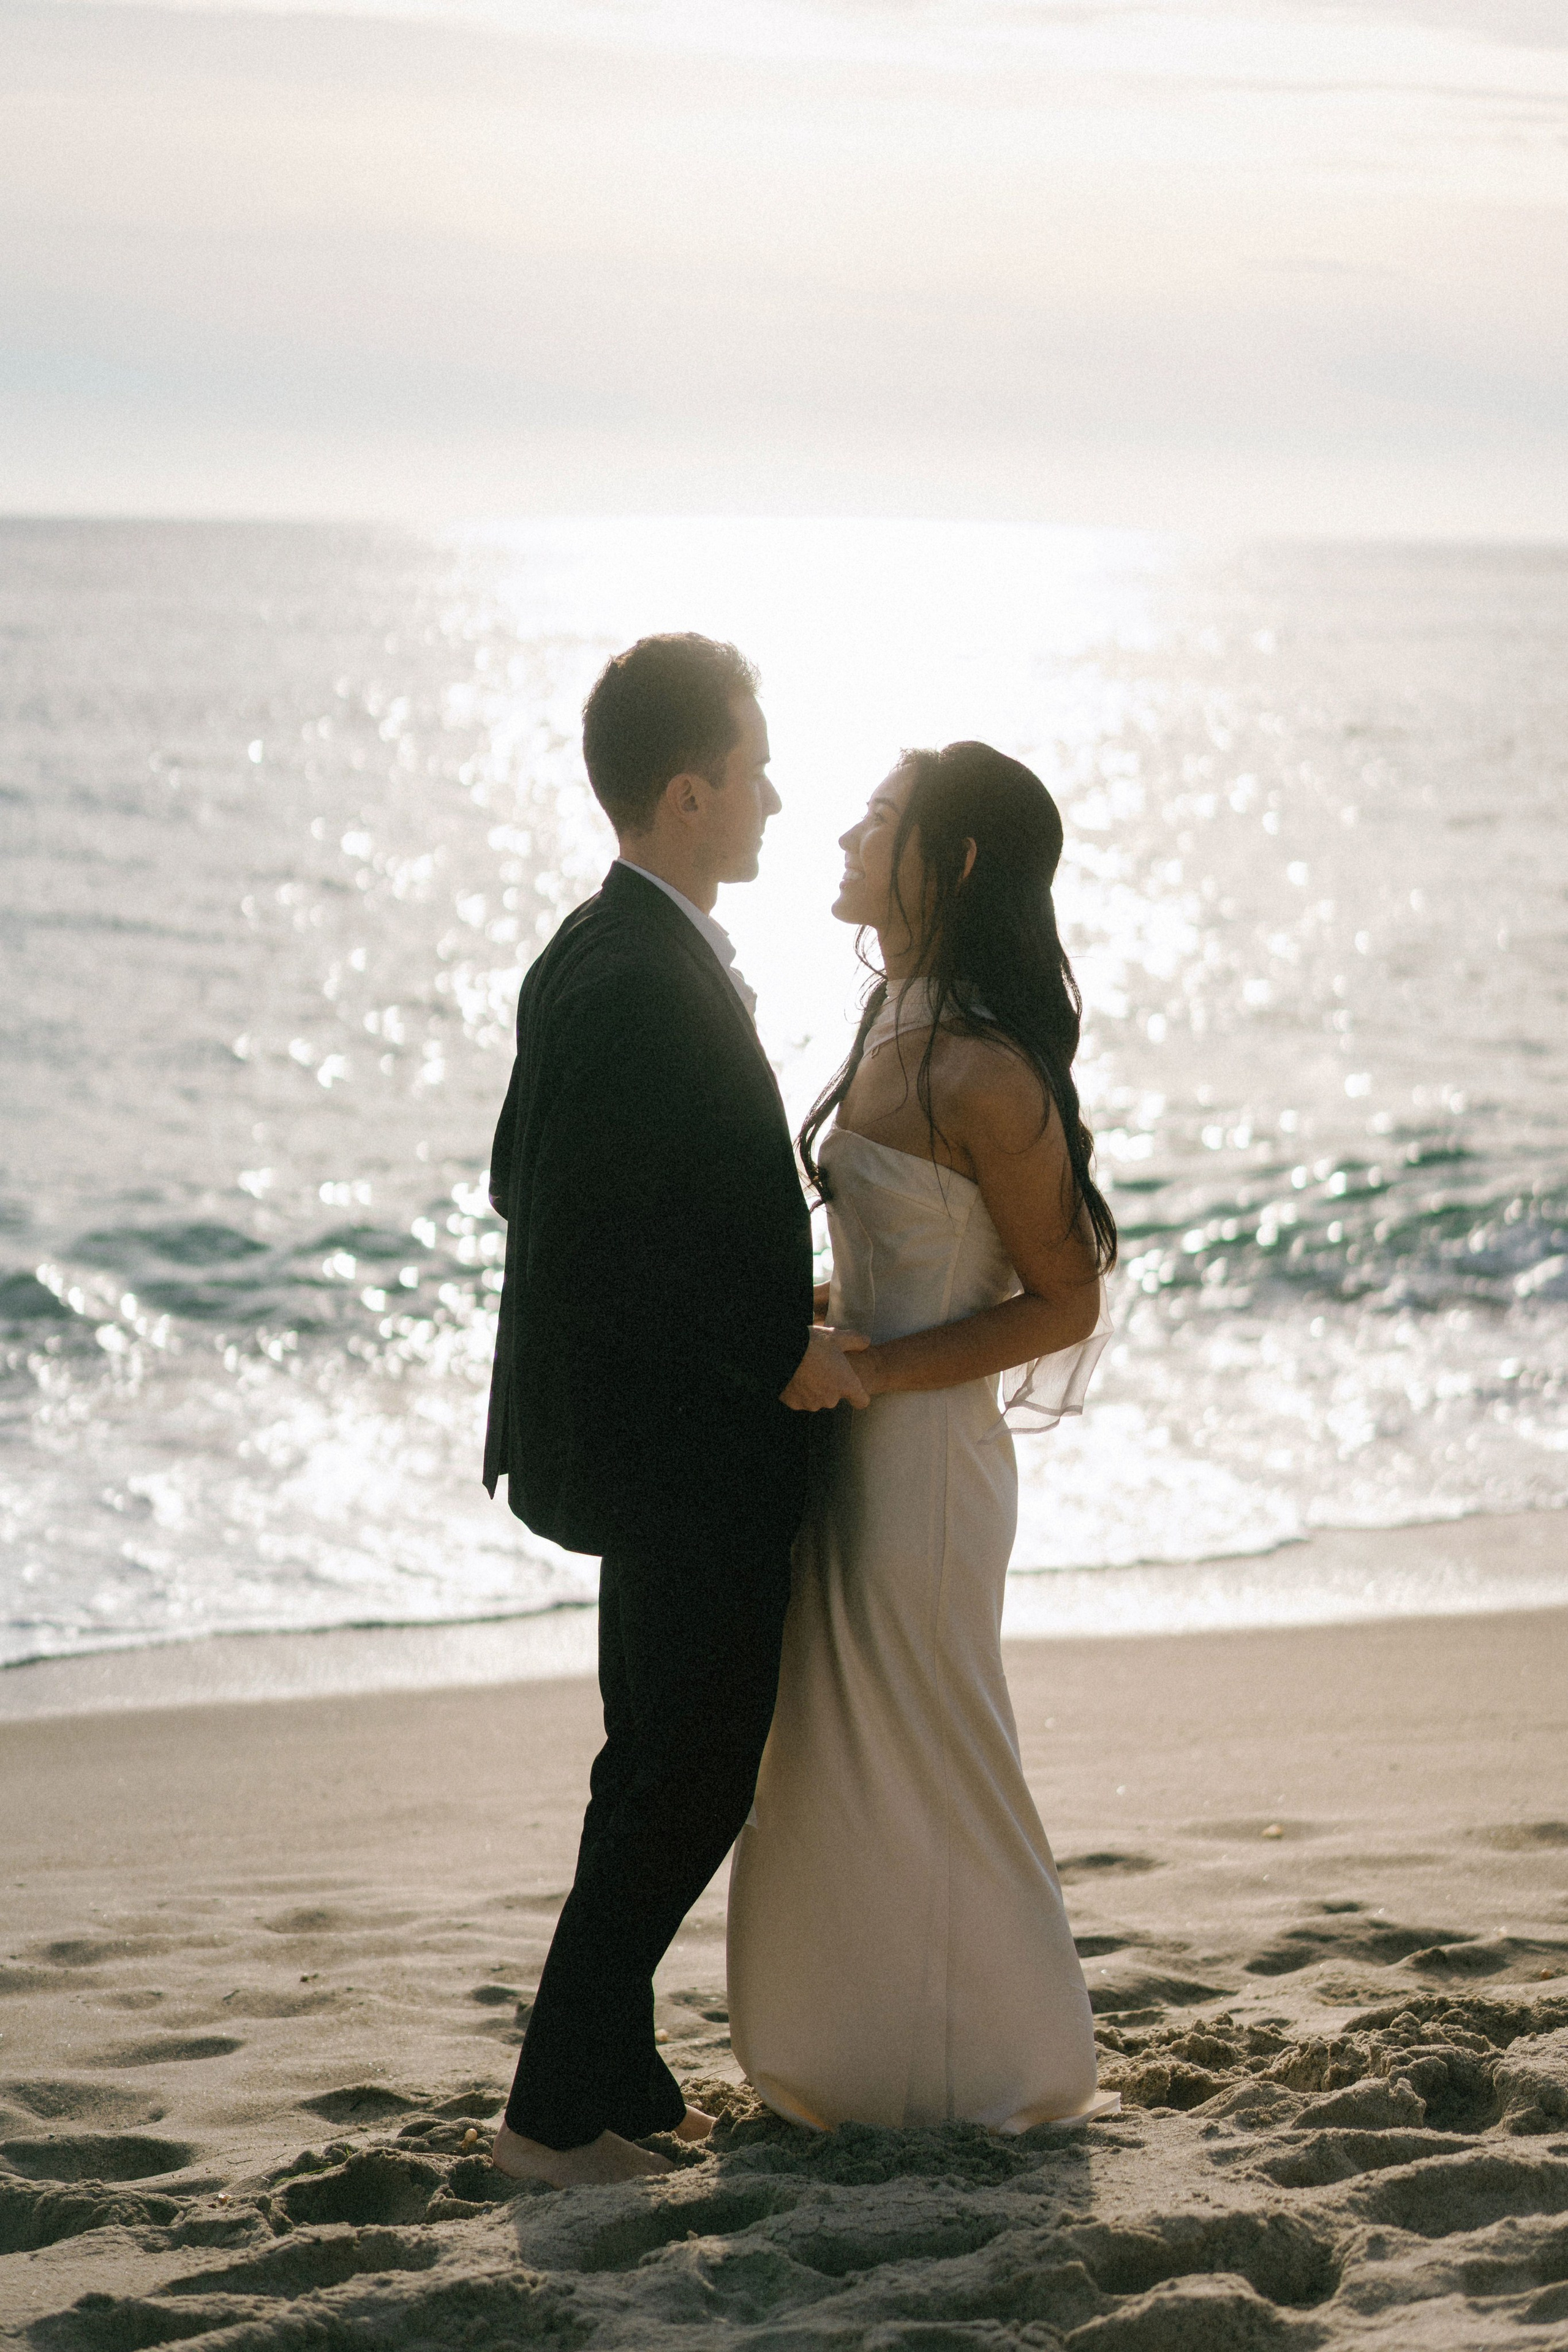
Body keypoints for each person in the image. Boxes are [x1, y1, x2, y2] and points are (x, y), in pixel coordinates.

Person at [483, 634, 870, 2187]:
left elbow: (525, 1178)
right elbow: (586, 1226)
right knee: (691, 1768)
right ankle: (552, 2115)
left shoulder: (605, 943)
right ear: (690, 793)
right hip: (682, 1447)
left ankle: (619, 2071)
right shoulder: (641, 973)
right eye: (756, 770)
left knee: (645, 1752)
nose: (777, 795)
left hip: (641, 1437)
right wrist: (768, 1348)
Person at [726, 740, 1120, 2133]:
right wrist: (831, 1324)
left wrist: (877, 1369)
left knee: (932, 1740)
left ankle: (1000, 2067)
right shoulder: (890, 1011)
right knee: (833, 1744)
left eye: (879, 818)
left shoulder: (984, 1071)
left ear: (949, 862)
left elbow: (1063, 1297)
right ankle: (851, 2058)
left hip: (925, 1468)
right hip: (853, 1434)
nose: (842, 834)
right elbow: (896, 1252)